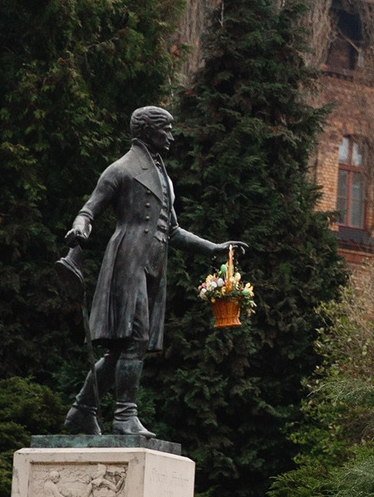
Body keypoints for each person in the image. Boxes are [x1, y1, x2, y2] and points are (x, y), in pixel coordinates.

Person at [61, 106, 242, 439]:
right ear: (147, 132)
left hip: (154, 265)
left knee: (122, 347)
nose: (172, 137)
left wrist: (213, 248)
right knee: (135, 339)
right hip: (127, 260)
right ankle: (124, 416)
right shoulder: (122, 169)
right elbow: (88, 210)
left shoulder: (164, 177)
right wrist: (79, 230)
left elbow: (172, 230)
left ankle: (82, 410)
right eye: (166, 130)